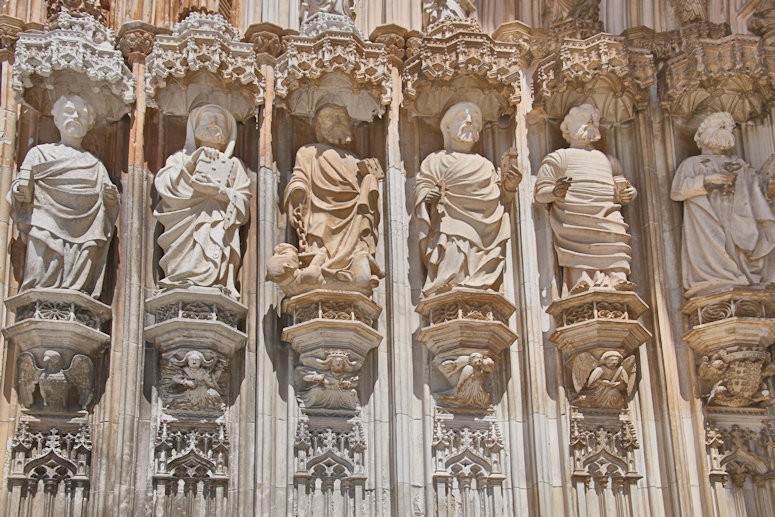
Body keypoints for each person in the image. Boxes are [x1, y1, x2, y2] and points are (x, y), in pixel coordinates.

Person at [9, 94, 119, 297]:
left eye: (82, 114)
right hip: (44, 221)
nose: (75, 117)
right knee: (39, 264)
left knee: (84, 254)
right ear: (56, 119)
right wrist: (19, 191)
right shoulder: (39, 153)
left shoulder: (95, 165)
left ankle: (75, 292)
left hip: (85, 229)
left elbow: (107, 204)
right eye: (69, 111)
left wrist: (111, 200)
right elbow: (20, 187)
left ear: (89, 123)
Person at [271, 104, 383, 296]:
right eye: (330, 118)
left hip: (352, 219)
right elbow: (300, 176)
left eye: (341, 117)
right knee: (319, 239)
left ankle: (350, 270)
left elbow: (364, 196)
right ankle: (322, 271)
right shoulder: (308, 152)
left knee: (356, 249)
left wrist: (370, 177)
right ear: (318, 127)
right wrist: (298, 190)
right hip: (321, 212)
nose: (337, 122)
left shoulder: (355, 159)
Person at [414, 101, 519, 297]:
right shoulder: (436, 159)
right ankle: (448, 286)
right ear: (447, 126)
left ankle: (479, 284)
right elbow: (423, 185)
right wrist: (427, 195)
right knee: (453, 253)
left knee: (476, 257)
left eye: (475, 120)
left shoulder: (485, 165)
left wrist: (510, 187)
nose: (470, 122)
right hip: (450, 221)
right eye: (462, 117)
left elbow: (499, 199)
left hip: (484, 229)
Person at [534, 103, 637, 295]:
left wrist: (628, 193)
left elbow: (622, 186)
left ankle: (618, 278)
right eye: (583, 118)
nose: (590, 121)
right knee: (578, 249)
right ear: (568, 127)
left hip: (607, 214)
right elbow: (540, 192)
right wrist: (555, 192)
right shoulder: (559, 157)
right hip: (574, 214)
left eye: (594, 119)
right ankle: (581, 281)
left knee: (615, 242)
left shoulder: (608, 160)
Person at [670, 111, 775, 297]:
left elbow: (757, 192)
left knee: (738, 244)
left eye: (728, 127)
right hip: (708, 218)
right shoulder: (691, 164)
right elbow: (678, 191)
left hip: (738, 216)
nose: (726, 129)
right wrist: (707, 180)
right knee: (717, 245)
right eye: (720, 125)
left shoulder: (738, 163)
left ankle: (743, 276)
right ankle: (718, 277)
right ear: (701, 133)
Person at [154, 104, 251, 298]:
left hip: (217, 229)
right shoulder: (179, 159)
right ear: (194, 126)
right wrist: (191, 163)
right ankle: (182, 278)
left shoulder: (234, 165)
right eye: (208, 118)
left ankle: (216, 283)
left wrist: (219, 192)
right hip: (184, 229)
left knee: (212, 255)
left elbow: (243, 204)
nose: (214, 123)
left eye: (220, 120)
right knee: (185, 265)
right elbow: (164, 186)